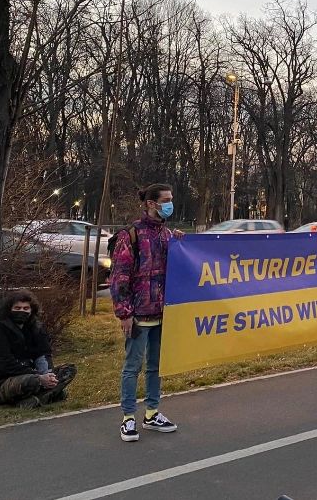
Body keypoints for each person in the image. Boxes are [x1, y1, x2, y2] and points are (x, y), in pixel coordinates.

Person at [110, 183, 186, 442]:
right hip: (139, 314)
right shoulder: (130, 235)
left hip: (163, 313)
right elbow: (119, 277)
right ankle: (128, 418)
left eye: (171, 199)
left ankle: (152, 413)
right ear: (151, 204)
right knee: (133, 366)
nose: (170, 204)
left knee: (156, 367)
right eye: (166, 199)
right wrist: (124, 313)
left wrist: (181, 245)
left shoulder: (167, 236)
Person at [0, 290, 77, 408]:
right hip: (1, 383)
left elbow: (43, 353)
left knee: (68, 370)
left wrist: (47, 375)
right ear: (9, 309)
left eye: (26, 309)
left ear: (32, 311)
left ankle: (40, 397)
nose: (21, 311)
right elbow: (4, 363)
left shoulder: (35, 329)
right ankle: (47, 395)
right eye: (17, 308)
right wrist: (38, 377)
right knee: (30, 381)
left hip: (34, 374)